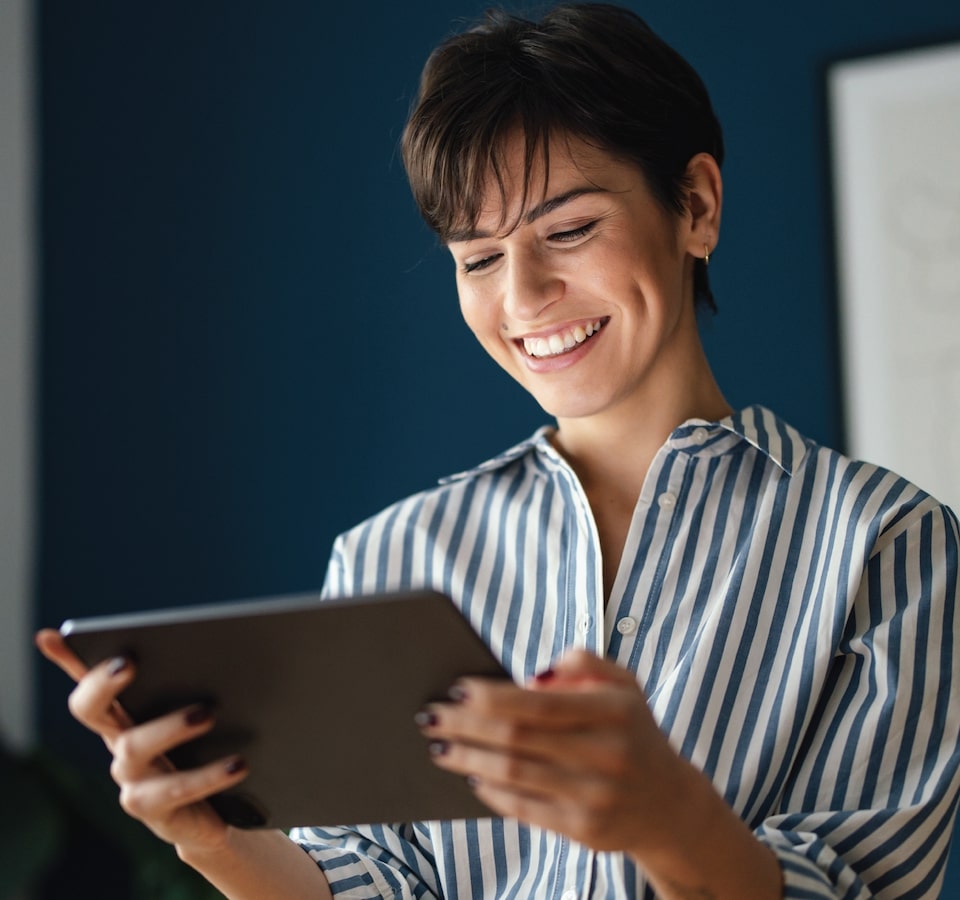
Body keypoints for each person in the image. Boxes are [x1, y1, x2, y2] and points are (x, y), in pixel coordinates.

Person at [37, 3, 960, 898]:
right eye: (478, 258)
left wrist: (670, 819)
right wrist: (215, 841)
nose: (523, 298)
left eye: (569, 230)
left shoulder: (892, 548)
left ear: (696, 205)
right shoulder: (389, 558)